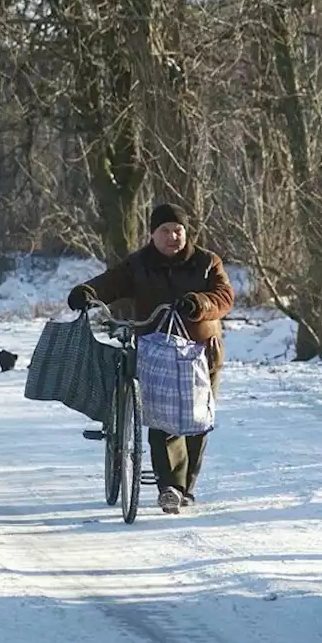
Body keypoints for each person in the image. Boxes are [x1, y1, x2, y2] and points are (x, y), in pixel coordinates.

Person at [67, 203, 233, 514]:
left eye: (178, 230)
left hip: (200, 352)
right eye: (166, 231)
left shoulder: (207, 262)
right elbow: (111, 283)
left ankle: (186, 488)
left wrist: (199, 303)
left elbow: (224, 297)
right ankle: (169, 486)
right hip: (157, 351)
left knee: (197, 420)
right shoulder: (139, 264)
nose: (173, 236)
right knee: (161, 417)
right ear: (152, 234)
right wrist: (87, 292)